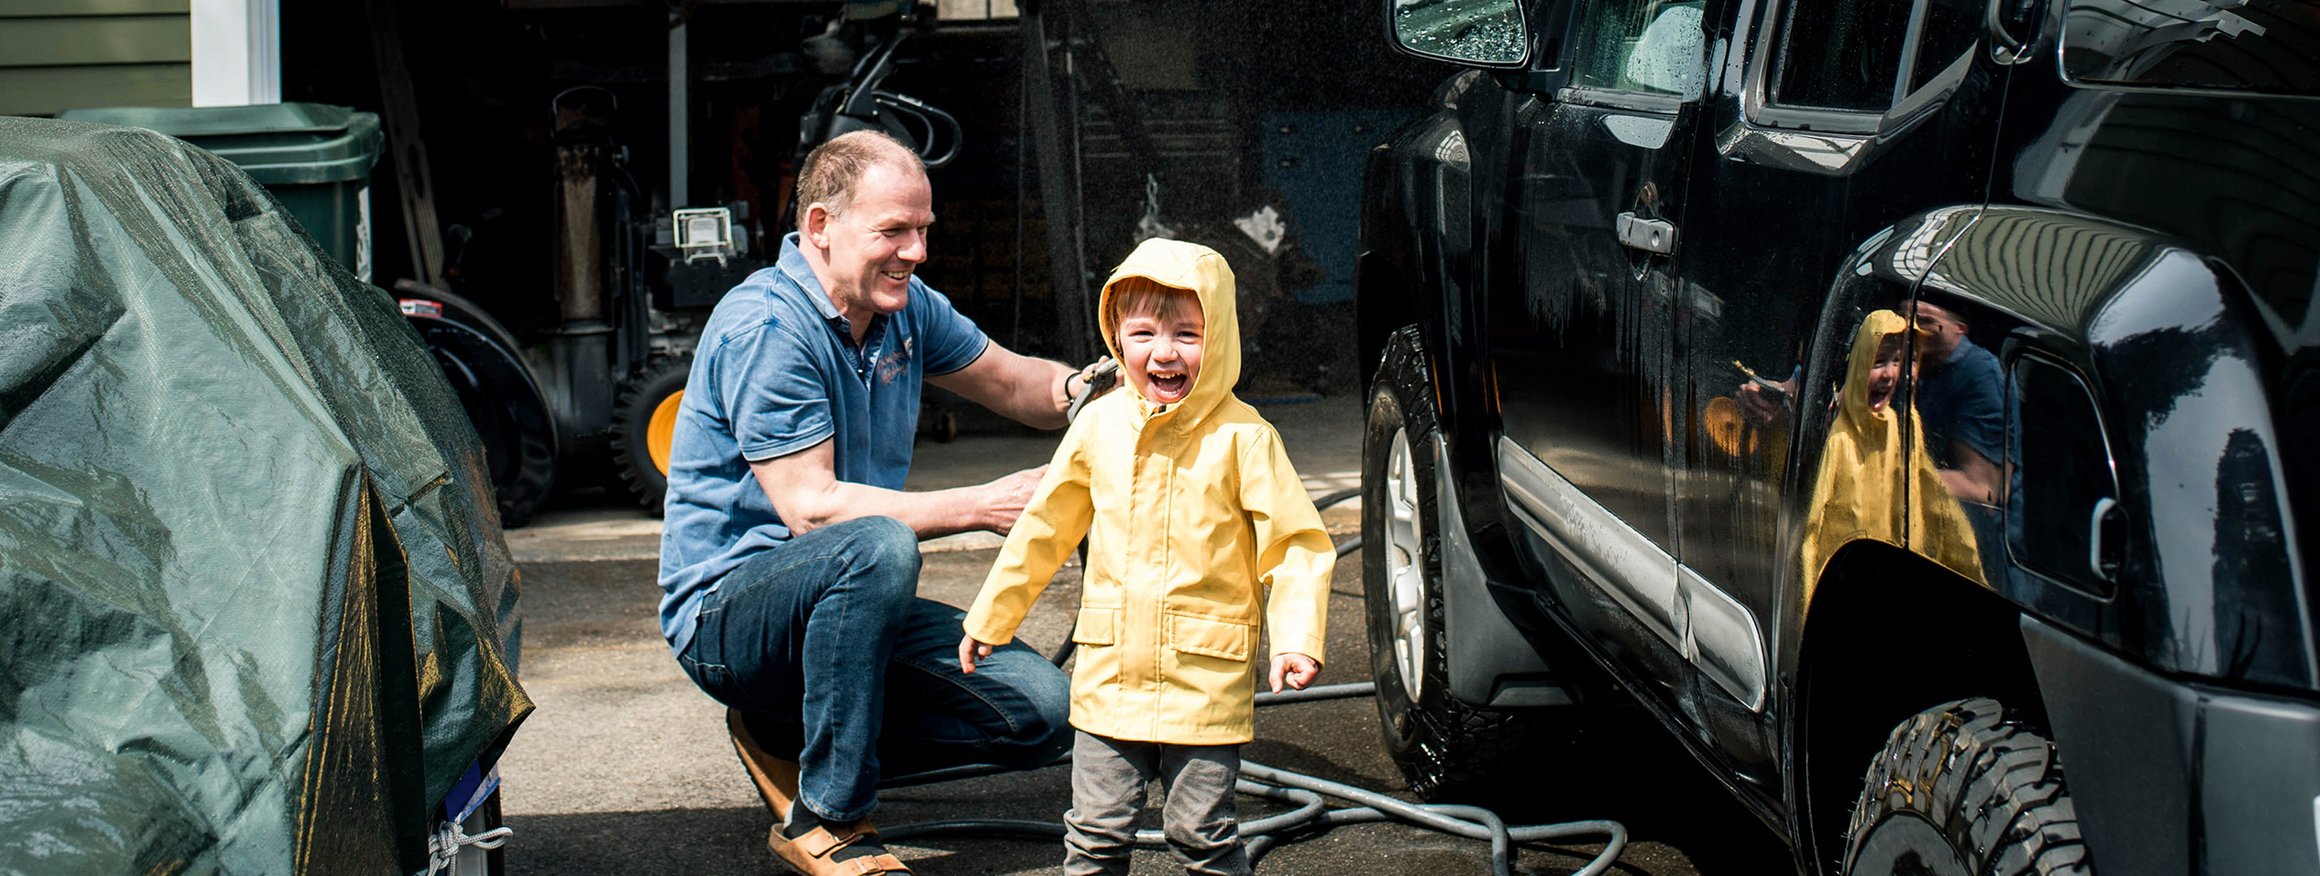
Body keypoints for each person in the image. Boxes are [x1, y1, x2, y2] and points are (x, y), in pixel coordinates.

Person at [658, 129, 1094, 876]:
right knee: (876, 544)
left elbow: (1015, 382)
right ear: (820, 229)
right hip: (731, 615)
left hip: (848, 603)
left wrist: (1092, 392)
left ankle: (793, 737)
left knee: (1043, 713)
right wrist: (984, 504)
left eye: (923, 230)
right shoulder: (768, 326)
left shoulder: (905, 308)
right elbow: (813, 509)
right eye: (893, 231)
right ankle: (827, 820)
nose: (916, 252)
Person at [956, 237, 1336, 876]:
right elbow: (1044, 530)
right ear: (1115, 338)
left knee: (1203, 835)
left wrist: (1297, 639)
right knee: (1095, 835)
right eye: (1142, 333)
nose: (1164, 352)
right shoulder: (1097, 427)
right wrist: (992, 618)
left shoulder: (1245, 438)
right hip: (1110, 682)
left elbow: (1295, 543)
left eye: (1187, 334)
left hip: (1203, 683)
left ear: (1218, 340)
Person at [1799, 309, 1984, 596]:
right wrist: (1810, 600)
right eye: (1878, 362)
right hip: (1842, 588)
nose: (1889, 373)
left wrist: (1968, 567)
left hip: (1890, 582)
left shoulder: (1901, 428)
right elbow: (1815, 527)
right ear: (1860, 365)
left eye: (1898, 361)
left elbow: (1931, 495)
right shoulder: (1842, 440)